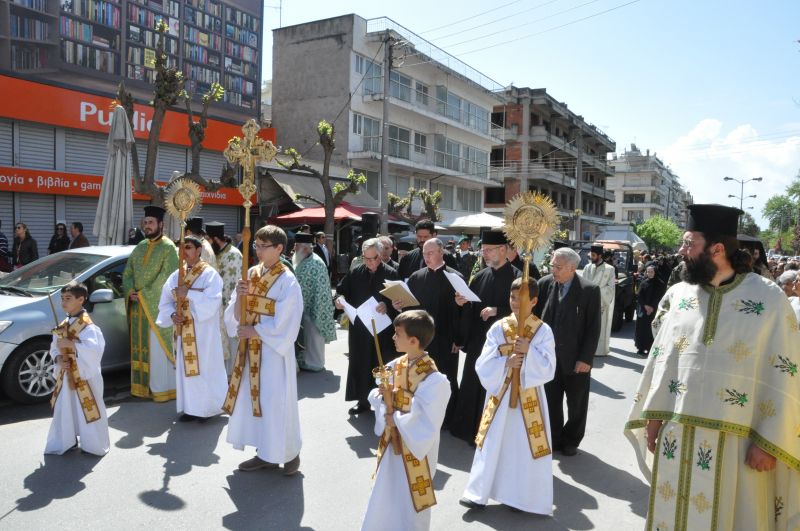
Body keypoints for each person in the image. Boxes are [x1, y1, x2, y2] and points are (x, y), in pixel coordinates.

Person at [624, 204, 800, 530]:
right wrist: (653, 415)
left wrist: (769, 441)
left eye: (689, 244)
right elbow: (663, 360)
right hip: (677, 433)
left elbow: (787, 371)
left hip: (740, 441)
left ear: (717, 249)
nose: (681, 251)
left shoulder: (768, 299)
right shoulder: (678, 296)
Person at [460, 278, 556, 514]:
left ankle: (519, 497)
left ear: (534, 301)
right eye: (512, 298)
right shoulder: (498, 327)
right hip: (501, 395)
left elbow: (549, 367)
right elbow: (483, 362)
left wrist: (528, 352)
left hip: (529, 397)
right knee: (492, 441)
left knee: (522, 447)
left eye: (521, 299)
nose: (516, 303)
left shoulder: (543, 330)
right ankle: (478, 494)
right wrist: (506, 362)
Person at [361, 310, 451, 531]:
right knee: (387, 489)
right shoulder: (395, 365)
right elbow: (377, 393)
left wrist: (397, 417)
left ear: (413, 341)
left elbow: (428, 417)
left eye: (397, 333)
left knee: (410, 496)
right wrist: (383, 398)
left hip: (414, 447)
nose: (393, 337)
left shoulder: (434, 379)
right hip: (392, 443)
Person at [224, 225, 303, 475]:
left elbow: (288, 319)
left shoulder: (287, 280)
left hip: (273, 353)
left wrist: (257, 331)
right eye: (256, 245)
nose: (257, 250)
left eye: (263, 246)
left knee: (276, 401)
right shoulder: (252, 273)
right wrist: (239, 296)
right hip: (251, 350)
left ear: (279, 248)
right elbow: (237, 314)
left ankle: (289, 453)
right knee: (254, 401)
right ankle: (265, 452)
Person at [450, 229, 521, 444]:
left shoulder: (518, 278)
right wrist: (462, 304)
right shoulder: (480, 276)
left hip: (504, 347)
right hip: (479, 343)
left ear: (503, 249)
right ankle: (467, 430)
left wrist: (497, 311)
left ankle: (490, 435)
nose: (485, 255)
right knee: (473, 385)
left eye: (489, 250)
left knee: (494, 389)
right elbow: (471, 309)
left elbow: (527, 311)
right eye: (483, 251)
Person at [534, 247, 601, 456]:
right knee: (551, 401)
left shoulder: (589, 290)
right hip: (549, 358)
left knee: (576, 403)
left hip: (576, 358)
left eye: (558, 266)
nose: (553, 269)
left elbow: (593, 327)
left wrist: (585, 358)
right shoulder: (544, 284)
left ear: (572, 268)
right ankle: (554, 437)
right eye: (552, 265)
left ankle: (572, 439)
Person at [392, 238, 463, 425]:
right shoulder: (416, 277)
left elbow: (463, 311)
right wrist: (399, 306)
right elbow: (410, 310)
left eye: (430, 253)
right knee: (419, 378)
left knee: (445, 378)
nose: (426, 257)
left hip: (446, 338)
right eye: (424, 253)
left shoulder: (455, 277)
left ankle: (448, 419)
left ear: (441, 252)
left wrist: (459, 338)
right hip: (420, 341)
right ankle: (418, 414)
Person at [155, 236, 227, 422]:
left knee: (205, 369)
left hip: (203, 333)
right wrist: (172, 315)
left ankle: (207, 409)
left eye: (187, 247)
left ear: (198, 250)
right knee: (186, 370)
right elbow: (165, 302)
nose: (183, 252)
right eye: (181, 248)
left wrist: (189, 294)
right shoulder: (176, 275)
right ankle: (190, 408)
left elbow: (213, 303)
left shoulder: (209, 274)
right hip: (183, 330)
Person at [45, 281, 109, 456]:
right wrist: (58, 358)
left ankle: (93, 445)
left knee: (88, 408)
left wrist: (72, 345)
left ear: (81, 299)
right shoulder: (63, 324)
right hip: (66, 376)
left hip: (84, 377)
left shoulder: (88, 326)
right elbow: (54, 347)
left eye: (68, 298)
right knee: (66, 407)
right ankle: (67, 439)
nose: (63, 302)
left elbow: (95, 350)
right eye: (62, 298)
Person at [335, 238, 399, 414]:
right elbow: (341, 291)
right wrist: (339, 300)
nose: (370, 262)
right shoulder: (356, 272)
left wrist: (387, 305)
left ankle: (385, 402)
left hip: (383, 329)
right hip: (361, 329)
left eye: (373, 258)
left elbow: (398, 301)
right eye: (366, 258)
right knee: (360, 363)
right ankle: (362, 401)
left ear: (381, 256)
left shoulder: (392, 273)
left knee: (383, 364)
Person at [122, 206, 179, 402]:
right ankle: (141, 388)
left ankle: (163, 389)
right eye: (145, 223)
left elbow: (168, 277)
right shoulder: (140, 247)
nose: (147, 226)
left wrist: (144, 294)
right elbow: (127, 273)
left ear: (160, 224)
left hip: (155, 307)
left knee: (156, 350)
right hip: (138, 307)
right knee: (141, 349)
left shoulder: (169, 248)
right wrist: (130, 292)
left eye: (151, 223)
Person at [293, 232, 336, 372]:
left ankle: (315, 363)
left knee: (313, 336)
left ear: (305, 248)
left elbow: (320, 288)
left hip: (315, 306)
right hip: (302, 306)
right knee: (305, 337)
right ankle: (305, 360)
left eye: (296, 246)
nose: (294, 249)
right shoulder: (302, 259)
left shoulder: (316, 263)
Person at [206, 221, 243, 375]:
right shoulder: (216, 254)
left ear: (215, 239)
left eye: (208, 240)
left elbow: (231, 284)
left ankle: (234, 374)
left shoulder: (233, 254)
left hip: (229, 307)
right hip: (216, 307)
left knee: (232, 340)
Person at [582, 244, 615, 357]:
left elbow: (610, 289)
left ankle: (599, 350)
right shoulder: (587, 267)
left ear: (600, 255)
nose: (591, 257)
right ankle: (586, 350)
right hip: (587, 303)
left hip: (601, 303)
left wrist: (595, 291)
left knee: (599, 328)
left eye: (594, 255)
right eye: (591, 255)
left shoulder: (609, 269)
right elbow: (583, 284)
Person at [634, 264, 666, 357]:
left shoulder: (660, 284)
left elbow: (660, 297)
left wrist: (652, 307)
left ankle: (650, 349)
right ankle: (640, 348)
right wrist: (645, 306)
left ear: (655, 272)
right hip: (643, 310)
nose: (650, 273)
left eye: (651, 272)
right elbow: (639, 295)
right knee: (641, 330)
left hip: (654, 311)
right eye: (648, 272)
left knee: (651, 329)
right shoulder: (644, 282)